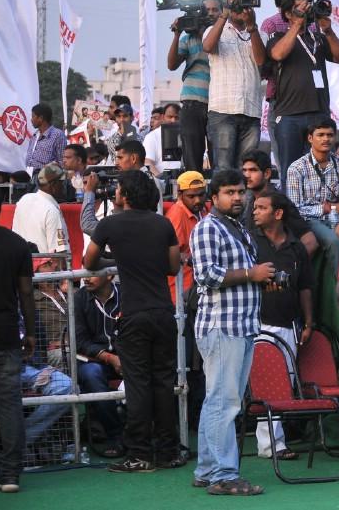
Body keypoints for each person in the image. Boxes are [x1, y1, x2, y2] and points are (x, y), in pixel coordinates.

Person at [83, 170, 182, 473]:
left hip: (134, 314)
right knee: (164, 382)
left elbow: (89, 262)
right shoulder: (163, 223)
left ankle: (139, 453)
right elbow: (172, 266)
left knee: (138, 385)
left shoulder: (110, 224)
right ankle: (169, 451)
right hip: (164, 312)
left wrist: (118, 260)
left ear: (125, 195)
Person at [190, 169, 276, 495]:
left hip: (239, 324)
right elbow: (207, 275)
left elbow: (235, 276)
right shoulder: (207, 228)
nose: (238, 197)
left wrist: (259, 281)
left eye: (241, 191)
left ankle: (208, 469)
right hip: (222, 326)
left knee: (221, 401)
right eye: (229, 192)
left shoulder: (237, 227)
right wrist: (251, 274)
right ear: (214, 198)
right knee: (224, 403)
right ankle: (223, 475)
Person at [251, 191, 315, 460]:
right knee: (265, 383)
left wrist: (309, 322)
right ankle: (271, 446)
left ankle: (274, 443)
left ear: (278, 213)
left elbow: (305, 287)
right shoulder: (250, 243)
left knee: (283, 383)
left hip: (289, 324)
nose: (255, 212)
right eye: (255, 207)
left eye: (261, 208)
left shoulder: (297, 248)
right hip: (257, 322)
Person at [267, 0, 339, 172]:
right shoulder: (278, 37)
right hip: (290, 115)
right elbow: (278, 54)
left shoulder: (318, 37)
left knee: (320, 167)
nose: (305, 11)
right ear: (288, 13)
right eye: (299, 8)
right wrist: (296, 25)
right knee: (291, 169)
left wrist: (328, 30)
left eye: (307, 7)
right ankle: (291, 202)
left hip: (319, 113)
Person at [0, 188, 36, 494]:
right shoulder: (17, 244)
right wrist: (31, 331)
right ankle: (10, 473)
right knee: (9, 404)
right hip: (7, 333)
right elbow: (26, 294)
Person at [285, 117, 339, 270]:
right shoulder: (296, 168)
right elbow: (295, 209)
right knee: (333, 242)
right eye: (320, 135)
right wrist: (326, 208)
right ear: (310, 138)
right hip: (310, 220)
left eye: (329, 135)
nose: (326, 139)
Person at [202, 0, 266, 171]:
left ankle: (244, 201)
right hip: (223, 110)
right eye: (234, 2)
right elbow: (207, 46)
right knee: (223, 168)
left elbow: (261, 60)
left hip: (251, 110)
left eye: (242, 2)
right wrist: (224, 13)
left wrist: (251, 27)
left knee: (247, 169)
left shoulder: (258, 34)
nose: (238, 7)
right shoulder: (214, 30)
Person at [167, 0, 221, 172]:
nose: (211, 13)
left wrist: (203, 33)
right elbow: (172, 64)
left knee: (219, 156)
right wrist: (177, 34)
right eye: (207, 10)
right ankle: (194, 191)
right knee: (192, 155)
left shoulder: (226, 35)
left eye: (215, 10)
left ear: (222, 13)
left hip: (219, 103)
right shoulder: (188, 38)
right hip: (192, 100)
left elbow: (212, 47)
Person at [74, 273, 124, 456]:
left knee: (148, 369)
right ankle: (115, 436)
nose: (85, 278)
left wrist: (125, 358)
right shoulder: (79, 297)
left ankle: (143, 435)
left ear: (109, 275)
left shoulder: (125, 293)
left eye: (92, 273)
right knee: (92, 374)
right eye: (84, 272)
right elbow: (79, 341)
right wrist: (110, 358)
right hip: (94, 360)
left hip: (126, 357)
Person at [239, 150, 317, 256]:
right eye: (244, 170)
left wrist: (291, 267)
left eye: (253, 170)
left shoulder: (280, 202)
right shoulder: (249, 200)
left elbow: (310, 241)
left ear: (267, 174)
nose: (247, 175)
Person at [260, 0, 302, 169]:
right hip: (282, 97)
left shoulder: (311, 24)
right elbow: (263, 61)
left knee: (286, 157)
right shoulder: (270, 25)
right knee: (286, 157)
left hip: (295, 97)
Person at [167, 171, 208, 304]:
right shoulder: (177, 214)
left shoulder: (203, 210)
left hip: (197, 289)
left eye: (201, 195)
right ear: (179, 194)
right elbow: (171, 252)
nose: (197, 200)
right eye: (191, 196)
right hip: (181, 293)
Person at [12, 163, 68, 260]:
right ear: (53, 184)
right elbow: (59, 253)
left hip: (23, 265)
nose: (64, 186)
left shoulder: (24, 199)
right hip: (45, 269)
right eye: (61, 182)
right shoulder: (51, 210)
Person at [143, 102, 182, 177]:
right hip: (162, 181)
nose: (173, 120)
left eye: (176, 117)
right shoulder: (152, 136)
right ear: (163, 117)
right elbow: (148, 162)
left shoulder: (186, 136)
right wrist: (161, 180)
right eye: (170, 117)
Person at [25, 103, 66, 171]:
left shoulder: (58, 135)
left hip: (47, 179)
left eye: (33, 116)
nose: (31, 120)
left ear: (40, 118)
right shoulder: (34, 136)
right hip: (30, 177)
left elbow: (62, 161)